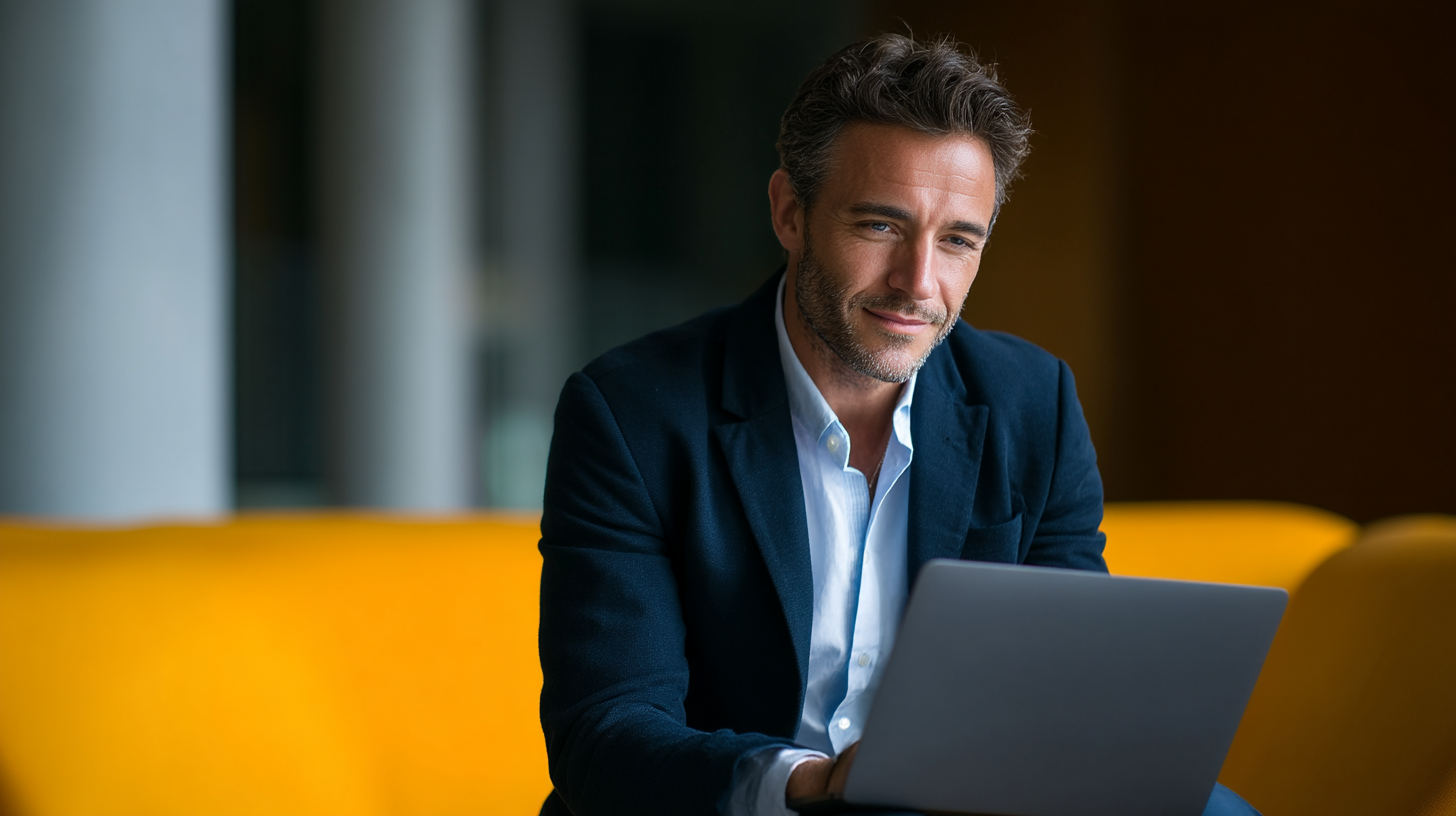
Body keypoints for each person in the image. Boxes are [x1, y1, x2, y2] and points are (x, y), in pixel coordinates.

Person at [537, 33, 1260, 816]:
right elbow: (604, 736)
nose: (919, 283)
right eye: (879, 226)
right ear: (789, 211)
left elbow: (1068, 692)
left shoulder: (1033, 401)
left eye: (957, 241)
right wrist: (818, 783)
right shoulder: (631, 413)